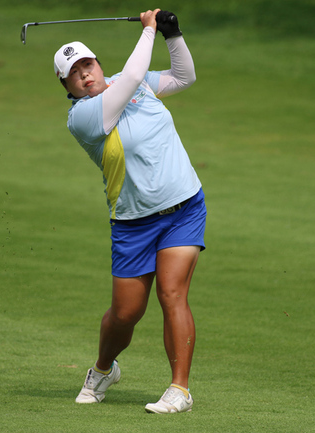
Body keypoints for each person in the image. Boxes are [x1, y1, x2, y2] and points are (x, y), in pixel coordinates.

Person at [54, 9, 206, 414]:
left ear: (99, 63)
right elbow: (135, 76)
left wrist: (173, 34)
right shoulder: (84, 117)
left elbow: (183, 77)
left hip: (182, 207)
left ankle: (180, 390)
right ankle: (104, 368)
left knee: (172, 294)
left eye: (88, 64)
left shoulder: (128, 82)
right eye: (74, 73)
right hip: (133, 222)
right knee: (125, 314)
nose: (85, 74)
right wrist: (150, 30)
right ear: (67, 85)